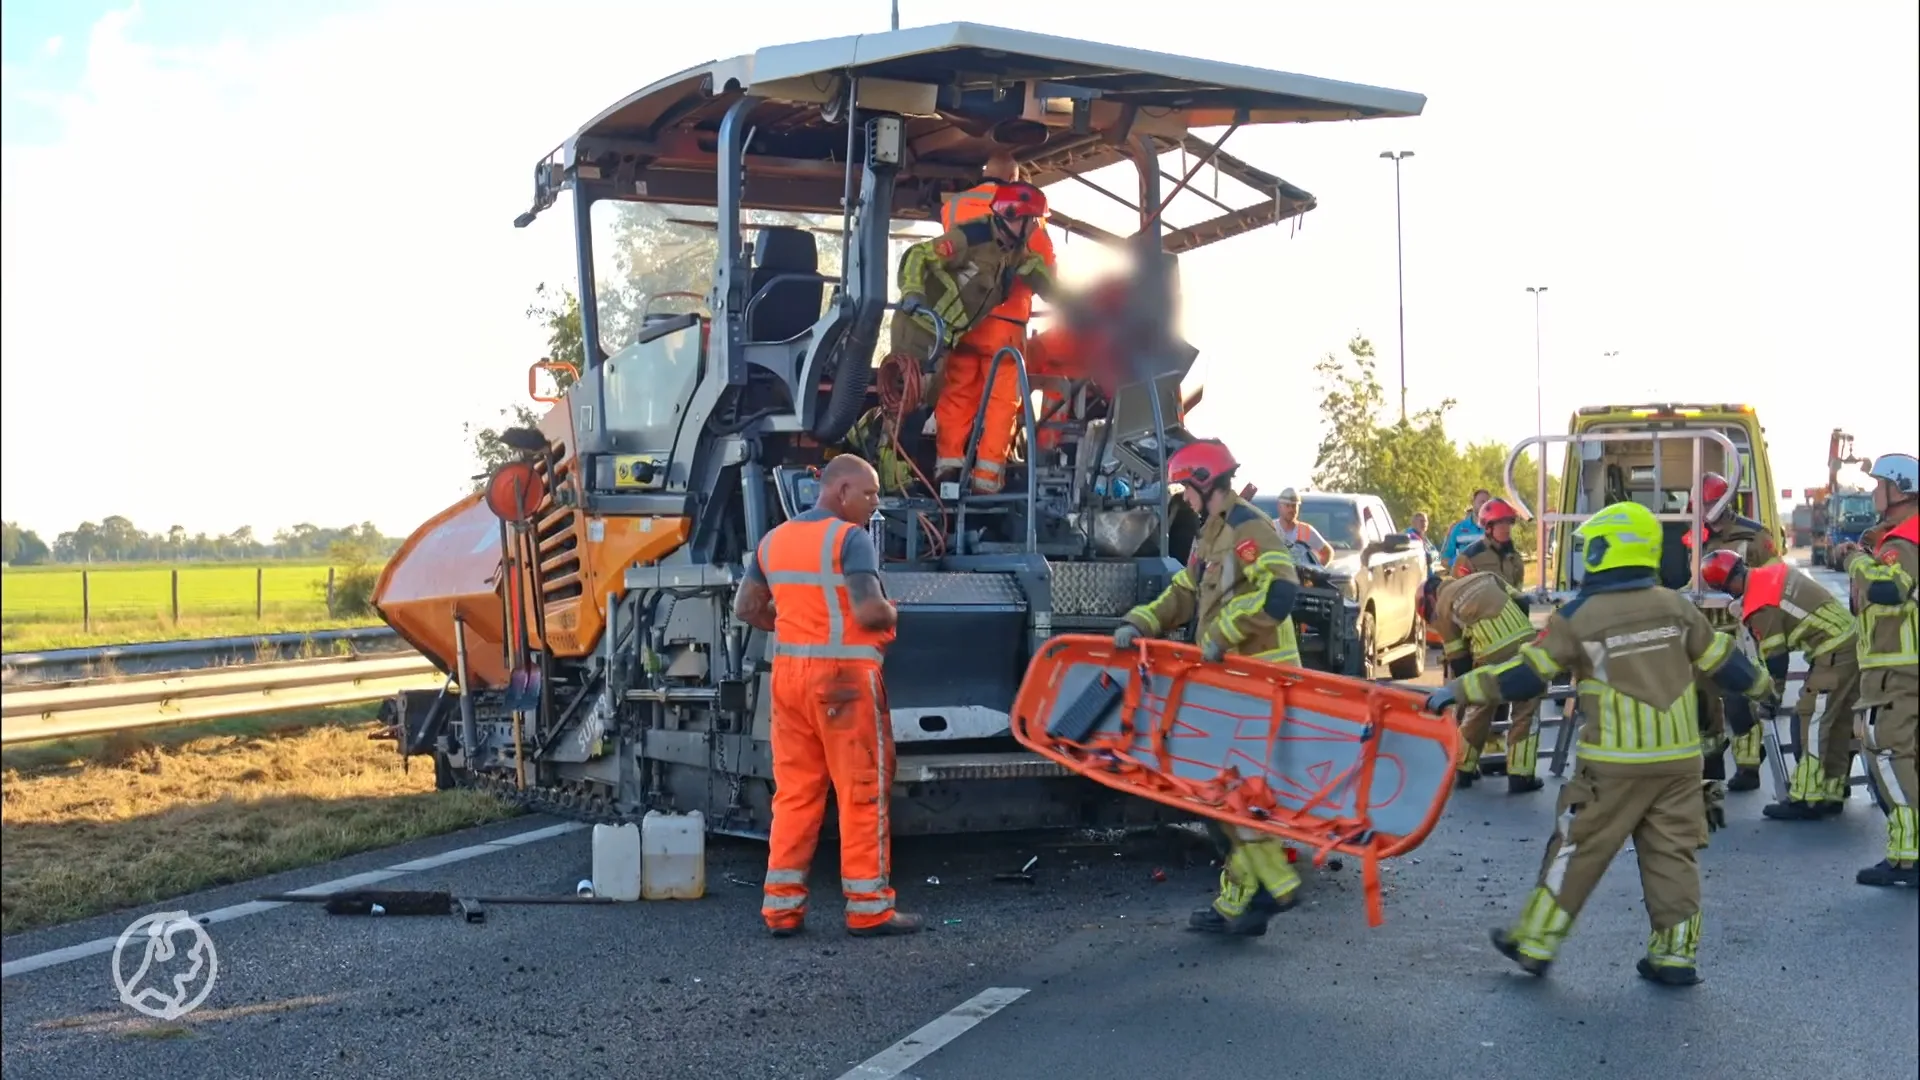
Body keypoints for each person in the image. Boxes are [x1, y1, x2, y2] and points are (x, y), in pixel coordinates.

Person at [1425, 501, 1775, 986]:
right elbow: (1724, 662)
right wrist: (1764, 689)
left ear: (1610, 552)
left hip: (1614, 764)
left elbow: (1527, 675)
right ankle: (1674, 957)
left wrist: (1456, 690)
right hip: (1679, 763)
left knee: (1576, 848)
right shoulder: (1677, 607)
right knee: (1672, 855)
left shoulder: (1581, 616)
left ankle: (1535, 941)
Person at [1114, 438, 1305, 935]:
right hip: (1232, 684)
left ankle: (1276, 884)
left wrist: (1225, 632)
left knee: (1223, 790)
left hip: (1261, 679)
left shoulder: (1249, 528)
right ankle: (1242, 903)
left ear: (1204, 482)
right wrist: (1140, 623)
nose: (1184, 497)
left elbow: (1281, 591)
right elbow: (1185, 592)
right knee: (1223, 793)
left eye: (1185, 487)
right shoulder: (1210, 534)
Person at [731, 455, 924, 937]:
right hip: (843, 681)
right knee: (861, 791)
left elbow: (747, 607)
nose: (875, 505)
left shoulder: (774, 541)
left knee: (795, 794)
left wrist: (797, 627)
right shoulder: (850, 538)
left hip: (790, 680)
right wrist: (895, 613)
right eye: (870, 494)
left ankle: (782, 909)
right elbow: (870, 612)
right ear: (841, 491)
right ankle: (869, 909)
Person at [908, 161, 1057, 495]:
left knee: (958, 392)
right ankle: (986, 482)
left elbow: (936, 256)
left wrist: (914, 295)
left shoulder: (958, 208)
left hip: (964, 324)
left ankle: (948, 466)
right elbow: (1047, 275)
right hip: (1007, 328)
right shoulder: (1030, 221)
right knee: (1002, 403)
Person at [1700, 548, 1859, 821]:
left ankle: (1807, 798)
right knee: (1838, 722)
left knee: (1811, 720)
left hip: (1833, 650)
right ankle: (1832, 792)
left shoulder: (1759, 604)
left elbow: (1776, 658)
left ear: (1727, 584)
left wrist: (1771, 697)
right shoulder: (1770, 574)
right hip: (1848, 643)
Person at [1831, 452, 1918, 888]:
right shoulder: (1898, 540)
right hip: (1900, 669)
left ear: (1898, 490)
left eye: (1879, 484)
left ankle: (1909, 857)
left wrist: (1856, 561)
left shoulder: (1903, 543)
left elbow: (1889, 590)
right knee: (1909, 758)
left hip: (1899, 671)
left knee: (1886, 756)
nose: (1872, 491)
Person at [1682, 471, 1780, 794]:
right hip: (1706, 630)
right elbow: (1694, 582)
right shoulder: (1697, 536)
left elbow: (1773, 580)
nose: (1701, 512)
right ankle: (1712, 765)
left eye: (1705, 505)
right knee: (1703, 700)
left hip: (1741, 629)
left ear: (1721, 504)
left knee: (1739, 698)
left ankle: (1749, 767)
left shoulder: (1754, 536)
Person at [1420, 571, 1544, 794]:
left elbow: (1459, 661)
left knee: (1478, 708)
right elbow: (1522, 600)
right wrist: (1518, 632)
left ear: (1431, 598)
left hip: (1489, 651)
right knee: (1527, 710)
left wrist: (1466, 689)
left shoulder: (1442, 607)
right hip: (1526, 641)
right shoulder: (1486, 576)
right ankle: (1521, 776)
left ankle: (1463, 769)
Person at [1450, 498, 1524, 585]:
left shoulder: (1514, 557)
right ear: (1488, 528)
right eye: (1501, 523)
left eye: (1509, 522)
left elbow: (1518, 590)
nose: (1507, 528)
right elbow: (1456, 592)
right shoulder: (1468, 558)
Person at [1270, 488, 1335, 566]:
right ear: (1279, 507)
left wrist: (1317, 573)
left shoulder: (1306, 530)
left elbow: (1327, 552)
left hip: (1299, 577)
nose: (1291, 509)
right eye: (1287, 505)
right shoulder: (1269, 528)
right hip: (1276, 576)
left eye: (1294, 506)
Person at [1442, 489, 1492, 564]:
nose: (1485, 505)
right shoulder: (1458, 528)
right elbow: (1445, 559)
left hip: (1488, 574)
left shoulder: (1495, 529)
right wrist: (1458, 567)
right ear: (1473, 503)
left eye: (1488, 503)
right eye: (1482, 502)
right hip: (1465, 574)